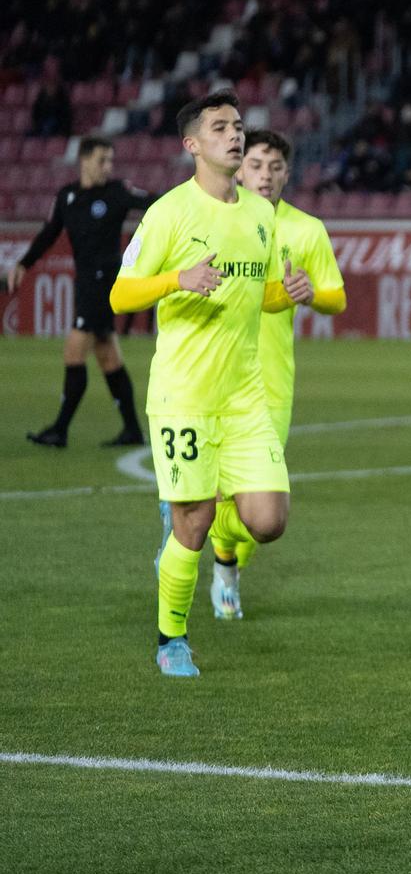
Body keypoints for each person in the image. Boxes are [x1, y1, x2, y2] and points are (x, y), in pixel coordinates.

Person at [109, 91, 316, 678]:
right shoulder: (170, 213)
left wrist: (288, 294)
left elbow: (259, 296)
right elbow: (122, 293)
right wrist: (179, 278)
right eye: (220, 127)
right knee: (193, 524)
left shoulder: (260, 215)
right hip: (186, 395)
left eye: (239, 125)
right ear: (192, 145)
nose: (235, 134)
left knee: (269, 521)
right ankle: (170, 638)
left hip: (244, 395)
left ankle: (188, 543)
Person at [207, 129, 347, 620]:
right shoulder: (213, 220)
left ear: (288, 174)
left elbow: (337, 297)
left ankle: (225, 555)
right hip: (211, 377)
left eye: (275, 167)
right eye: (257, 164)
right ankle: (191, 554)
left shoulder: (306, 230)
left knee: (260, 516)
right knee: (214, 493)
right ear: (239, 168)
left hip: (270, 384)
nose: (265, 175)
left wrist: (311, 294)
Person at [9, 137, 155, 448]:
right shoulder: (67, 196)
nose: (108, 167)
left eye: (111, 161)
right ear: (84, 160)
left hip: (105, 284)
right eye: (103, 160)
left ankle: (60, 429)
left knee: (74, 352)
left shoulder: (118, 192)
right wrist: (24, 263)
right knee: (107, 356)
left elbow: (157, 202)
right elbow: (50, 232)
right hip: (85, 282)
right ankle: (132, 430)